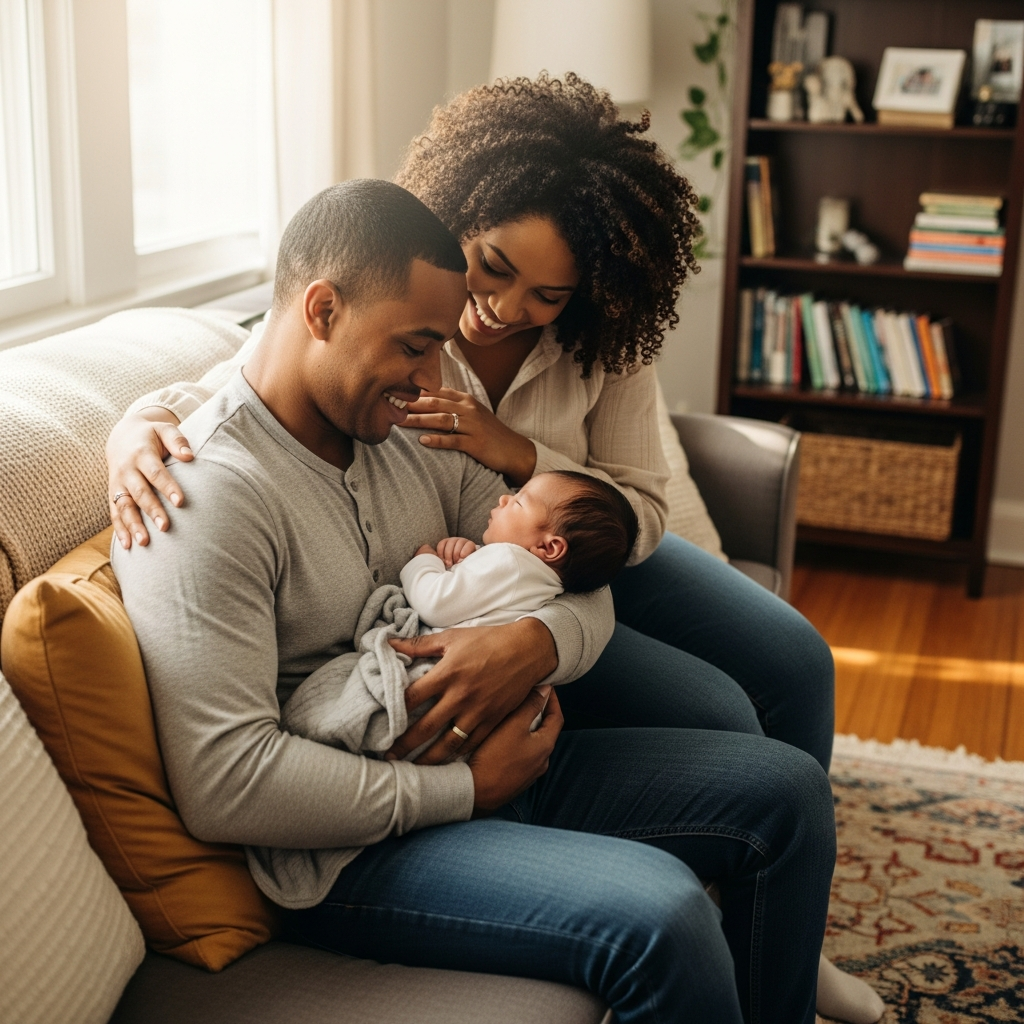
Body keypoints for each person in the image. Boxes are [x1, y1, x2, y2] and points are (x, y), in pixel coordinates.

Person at [105, 76, 881, 1021]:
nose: (440, 378)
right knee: (667, 917)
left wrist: (531, 642)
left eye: (536, 296)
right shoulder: (199, 498)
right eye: (417, 346)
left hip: (497, 748)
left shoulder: (407, 427)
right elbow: (230, 785)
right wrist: (465, 791)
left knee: (787, 789)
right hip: (356, 840)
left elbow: (574, 575)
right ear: (321, 312)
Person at [404, 470, 640, 632]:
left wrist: (425, 561)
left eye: (518, 502)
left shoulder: (510, 562)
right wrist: (468, 556)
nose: (504, 498)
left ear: (548, 547)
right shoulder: (543, 583)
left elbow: (434, 604)